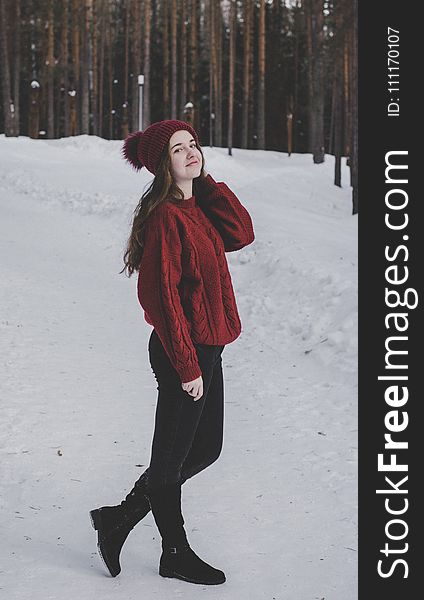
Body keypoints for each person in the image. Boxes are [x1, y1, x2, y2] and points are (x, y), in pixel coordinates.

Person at [89, 119, 255, 586]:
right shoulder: (166, 217)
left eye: (193, 144)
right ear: (162, 164)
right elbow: (160, 298)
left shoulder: (198, 206)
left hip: (209, 346)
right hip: (182, 351)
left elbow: (241, 233)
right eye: (178, 149)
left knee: (205, 449)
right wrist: (186, 366)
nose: (189, 152)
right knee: (171, 458)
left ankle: (118, 519)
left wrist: (206, 182)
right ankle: (174, 552)